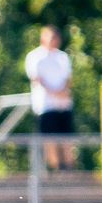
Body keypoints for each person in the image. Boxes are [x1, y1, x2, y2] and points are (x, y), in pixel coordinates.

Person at [23, 25, 74, 172]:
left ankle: (68, 170)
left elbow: (68, 80)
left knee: (67, 141)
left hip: (63, 105)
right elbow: (36, 79)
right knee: (50, 141)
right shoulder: (35, 56)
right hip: (46, 106)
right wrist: (54, 93)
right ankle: (56, 170)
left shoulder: (62, 57)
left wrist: (62, 92)